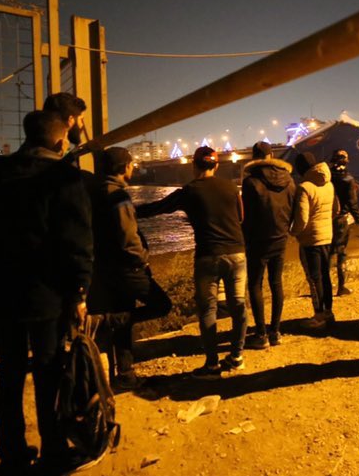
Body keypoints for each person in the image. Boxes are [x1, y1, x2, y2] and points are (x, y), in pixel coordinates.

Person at [0, 109, 93, 476]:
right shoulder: (64, 176)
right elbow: (77, 242)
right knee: (48, 371)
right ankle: (54, 455)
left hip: (1, 290)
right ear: (59, 140)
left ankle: (13, 459)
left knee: (10, 372)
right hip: (45, 292)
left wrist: (6, 243)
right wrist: (79, 291)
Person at [136, 146, 246, 378]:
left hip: (208, 256)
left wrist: (126, 210)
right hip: (237, 253)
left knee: (208, 309)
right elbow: (241, 217)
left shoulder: (189, 191)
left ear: (194, 166)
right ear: (216, 165)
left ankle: (212, 365)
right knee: (238, 305)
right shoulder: (230, 187)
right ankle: (237, 356)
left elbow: (158, 208)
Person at [88, 147, 172, 390]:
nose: (133, 168)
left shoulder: (95, 193)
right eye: (132, 164)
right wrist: (142, 259)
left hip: (105, 267)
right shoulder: (118, 197)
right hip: (127, 267)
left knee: (124, 315)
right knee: (161, 304)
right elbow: (128, 237)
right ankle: (107, 321)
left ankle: (126, 374)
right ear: (125, 167)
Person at [241, 141, 296, 347]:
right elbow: (293, 208)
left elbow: (246, 216)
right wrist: (286, 229)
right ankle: (275, 332)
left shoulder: (250, 182)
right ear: (271, 156)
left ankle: (261, 334)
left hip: (258, 241)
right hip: (280, 238)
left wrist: (246, 238)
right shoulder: (289, 180)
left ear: (254, 158)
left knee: (255, 284)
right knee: (276, 282)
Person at [291, 152, 336, 327]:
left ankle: (319, 316)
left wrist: (294, 232)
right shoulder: (329, 184)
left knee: (314, 278)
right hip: (327, 237)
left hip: (310, 240)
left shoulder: (305, 187)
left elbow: (302, 218)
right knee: (325, 276)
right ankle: (328, 312)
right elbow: (336, 209)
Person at [329, 149, 359, 296]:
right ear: (346, 161)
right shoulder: (347, 179)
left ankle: (325, 286)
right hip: (340, 220)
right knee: (341, 252)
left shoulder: (327, 177)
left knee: (328, 253)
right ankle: (341, 286)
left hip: (326, 219)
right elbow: (352, 203)